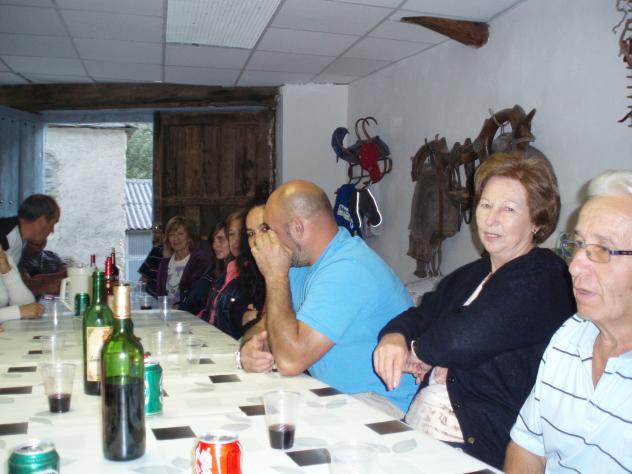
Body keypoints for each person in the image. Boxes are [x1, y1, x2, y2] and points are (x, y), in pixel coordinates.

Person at [373, 153, 576, 469]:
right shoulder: (473, 274)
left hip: (479, 447)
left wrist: (419, 351)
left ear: (537, 222)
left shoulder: (545, 275)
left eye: (508, 209)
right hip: (420, 430)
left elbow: (463, 339)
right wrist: (395, 337)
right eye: (486, 205)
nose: (491, 219)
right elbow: (420, 315)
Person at [239, 180, 417, 414]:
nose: (265, 243)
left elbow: (290, 361)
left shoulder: (348, 268)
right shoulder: (301, 266)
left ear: (297, 228)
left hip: (381, 403)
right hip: (334, 395)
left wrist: (274, 276)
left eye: (271, 232)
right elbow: (271, 326)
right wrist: (249, 349)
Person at [505, 170, 632, 474]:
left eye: (602, 250)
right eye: (578, 244)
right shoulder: (571, 333)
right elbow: (528, 448)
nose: (574, 266)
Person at [156, 216, 210, 306]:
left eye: (180, 234)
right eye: (171, 235)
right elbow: (160, 295)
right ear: (168, 239)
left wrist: (180, 308)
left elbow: (199, 297)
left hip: (190, 314)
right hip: (166, 313)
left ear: (189, 237)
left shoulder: (200, 261)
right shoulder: (164, 263)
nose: (176, 238)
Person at [180, 221, 231, 315]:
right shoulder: (213, 268)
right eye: (213, 241)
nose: (215, 245)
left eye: (221, 239)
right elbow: (195, 299)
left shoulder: (237, 274)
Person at [0, 194, 60, 264]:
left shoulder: (21, 237)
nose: (52, 231)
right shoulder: (5, 236)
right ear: (41, 221)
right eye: (52, 224)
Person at [0, 247, 43, 328]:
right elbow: (24, 310)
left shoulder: (4, 257)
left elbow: (28, 307)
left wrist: (7, 271)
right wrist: (17, 312)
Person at [138, 223, 164, 297]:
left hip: (163, 299)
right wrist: (138, 294)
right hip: (149, 297)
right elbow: (143, 279)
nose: (154, 235)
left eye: (157, 232)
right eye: (154, 232)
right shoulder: (156, 251)